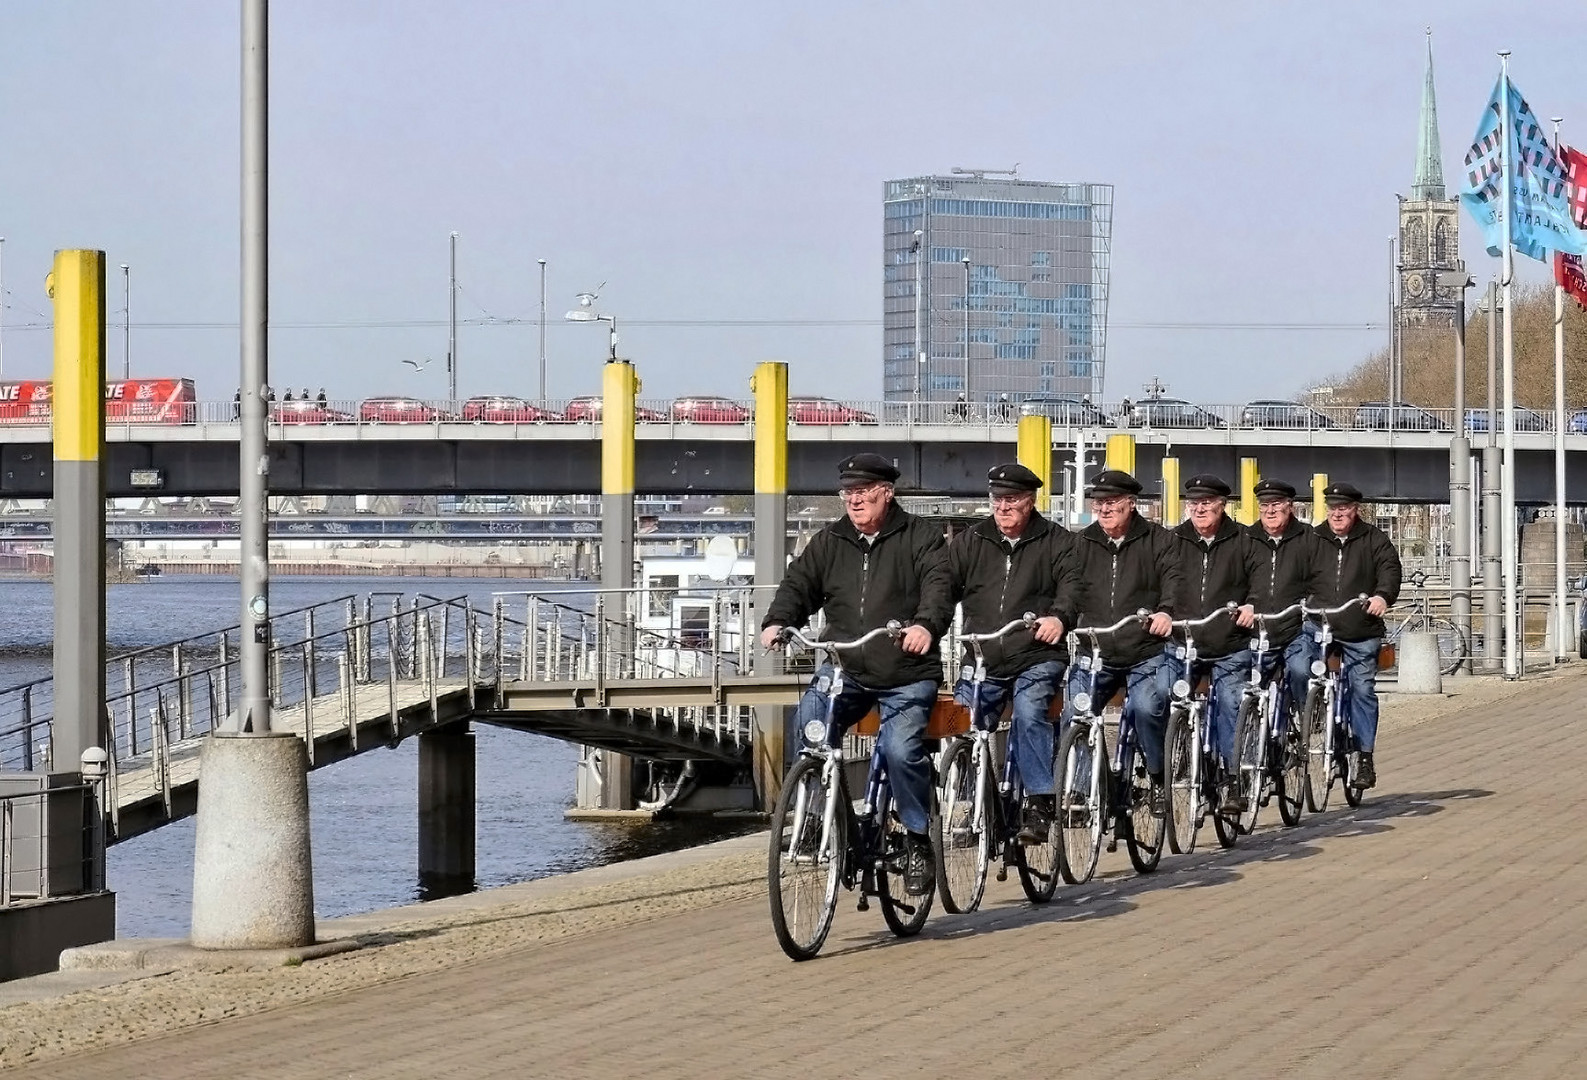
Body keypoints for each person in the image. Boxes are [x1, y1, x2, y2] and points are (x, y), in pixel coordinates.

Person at [761, 453, 951, 895]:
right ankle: (814, 820)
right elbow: (798, 585)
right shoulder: (831, 541)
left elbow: (938, 590)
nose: (855, 500)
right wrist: (778, 620)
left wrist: (925, 625)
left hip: (906, 672)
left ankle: (918, 840)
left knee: (901, 749)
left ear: (887, 492)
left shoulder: (921, 538)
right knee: (810, 720)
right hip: (847, 667)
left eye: (864, 492)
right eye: (848, 493)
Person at [943, 463, 1082, 843]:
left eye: (1012, 500)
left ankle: (1039, 801)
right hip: (983, 656)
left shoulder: (1057, 541)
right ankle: (977, 805)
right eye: (997, 500)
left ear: (1030, 500)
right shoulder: (971, 541)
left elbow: (1072, 589)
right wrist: (922, 622)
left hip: (1036, 655)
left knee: (1030, 711)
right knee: (962, 721)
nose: (1003, 508)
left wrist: (1059, 618)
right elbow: (942, 590)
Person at [1065, 469, 1183, 807]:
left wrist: (1165, 612)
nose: (1103, 508)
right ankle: (1086, 788)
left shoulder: (1159, 540)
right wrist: (1060, 617)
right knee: (1077, 711)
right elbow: (1069, 590)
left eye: (1111, 501)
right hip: (1097, 649)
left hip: (1144, 649)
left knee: (1147, 707)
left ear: (1131, 504)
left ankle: (1159, 776)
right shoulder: (1082, 542)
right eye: (1098, 502)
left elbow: (1173, 580)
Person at [1170, 474, 1258, 812]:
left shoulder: (1243, 539)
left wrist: (1253, 604)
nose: (1199, 509)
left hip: (1229, 642)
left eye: (1207, 503)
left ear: (1222, 506)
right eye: (1194, 503)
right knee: (1163, 690)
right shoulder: (1174, 539)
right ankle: (1174, 759)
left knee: (1230, 703)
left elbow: (1260, 579)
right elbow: (1159, 580)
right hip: (1184, 641)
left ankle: (1232, 776)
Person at [1309, 482, 1401, 789]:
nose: (1337, 514)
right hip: (1320, 627)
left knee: (1361, 689)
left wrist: (1382, 596)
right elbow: (1295, 575)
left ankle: (1364, 757)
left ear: (1355, 510)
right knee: (1302, 673)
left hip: (1360, 629)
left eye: (1343, 508)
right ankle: (1302, 735)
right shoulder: (1314, 539)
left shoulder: (1374, 539)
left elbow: (1390, 569)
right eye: (1332, 509)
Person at [1244, 478, 1321, 726]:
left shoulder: (1308, 537)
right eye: (1264, 505)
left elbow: (1322, 577)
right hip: (1256, 630)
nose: (1270, 511)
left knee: (1300, 670)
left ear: (1290, 507)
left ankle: (1304, 719)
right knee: (1243, 683)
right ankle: (1249, 743)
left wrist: (1311, 603)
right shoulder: (1247, 538)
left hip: (1294, 629)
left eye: (1276, 504)